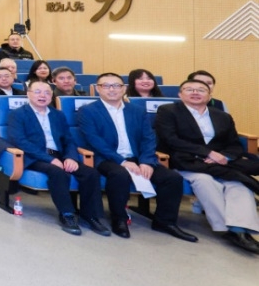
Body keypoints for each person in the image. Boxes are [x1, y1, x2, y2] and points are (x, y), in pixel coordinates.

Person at [74, 73, 195, 241]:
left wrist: (146, 161)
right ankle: (119, 219)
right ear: (98, 89)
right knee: (119, 174)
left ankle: (165, 222)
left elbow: (148, 138)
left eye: (116, 85)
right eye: (106, 85)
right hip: (107, 158)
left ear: (124, 88)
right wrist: (122, 161)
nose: (112, 89)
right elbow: (94, 140)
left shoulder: (137, 110)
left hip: (138, 157)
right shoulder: (88, 111)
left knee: (172, 178)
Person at [154, 79, 259, 254]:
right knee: (205, 181)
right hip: (187, 162)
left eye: (201, 90)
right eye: (189, 89)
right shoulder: (168, 111)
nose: (195, 92)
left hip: (220, 163)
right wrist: (207, 153)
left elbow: (234, 145)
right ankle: (229, 229)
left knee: (239, 185)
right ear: (180, 94)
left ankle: (240, 230)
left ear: (210, 96)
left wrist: (225, 156)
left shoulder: (222, 116)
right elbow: (170, 139)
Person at [6, 81, 108, 236]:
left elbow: (68, 140)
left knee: (91, 173)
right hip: (34, 156)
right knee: (57, 172)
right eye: (38, 92)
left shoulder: (57, 115)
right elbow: (20, 141)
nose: (43, 95)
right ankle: (67, 214)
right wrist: (49, 159)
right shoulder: (18, 114)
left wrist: (71, 157)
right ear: (28, 94)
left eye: (47, 92)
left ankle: (90, 215)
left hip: (59, 155)